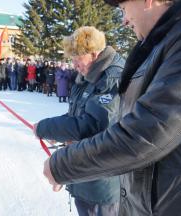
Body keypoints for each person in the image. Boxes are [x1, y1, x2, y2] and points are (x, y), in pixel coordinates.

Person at [42, 0, 181, 215]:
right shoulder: (158, 49)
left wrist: (63, 165)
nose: (123, 20)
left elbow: (145, 134)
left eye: (124, 9)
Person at [35, 26, 125, 216]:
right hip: (82, 174)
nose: (74, 65)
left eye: (78, 59)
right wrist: (56, 132)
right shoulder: (86, 76)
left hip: (102, 181)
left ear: (93, 54)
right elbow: (73, 118)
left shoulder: (111, 78)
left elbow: (92, 126)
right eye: (72, 59)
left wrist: (45, 128)